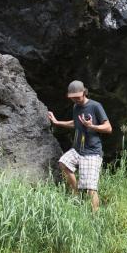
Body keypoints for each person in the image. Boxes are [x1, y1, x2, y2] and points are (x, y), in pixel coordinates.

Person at [47, 80, 111, 210]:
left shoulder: (95, 106)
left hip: (92, 152)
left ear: (84, 92)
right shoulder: (76, 107)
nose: (75, 99)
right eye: (72, 98)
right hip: (78, 150)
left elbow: (108, 128)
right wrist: (57, 122)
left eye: (77, 96)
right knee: (63, 163)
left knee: (90, 189)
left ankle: (95, 219)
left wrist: (92, 126)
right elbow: (75, 123)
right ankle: (76, 193)